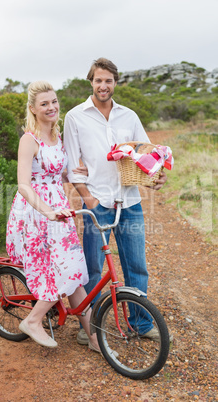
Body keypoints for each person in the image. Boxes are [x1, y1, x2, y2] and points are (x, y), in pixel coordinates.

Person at [63, 57, 168, 345]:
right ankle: (89, 326)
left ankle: (141, 323)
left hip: (129, 202)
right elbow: (72, 164)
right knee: (93, 268)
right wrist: (88, 198)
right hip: (96, 204)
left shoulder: (129, 116)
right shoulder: (75, 117)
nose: (103, 85)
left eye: (108, 80)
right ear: (91, 82)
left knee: (136, 265)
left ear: (115, 83)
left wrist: (158, 175)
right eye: (98, 80)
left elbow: (149, 154)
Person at [6, 81, 99, 351]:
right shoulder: (29, 139)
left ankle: (93, 339)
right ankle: (33, 320)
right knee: (66, 270)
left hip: (59, 211)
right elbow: (23, 184)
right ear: (33, 109)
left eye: (54, 101)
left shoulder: (57, 138)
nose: (51, 107)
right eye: (44, 103)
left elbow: (65, 175)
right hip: (35, 213)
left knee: (75, 271)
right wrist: (47, 211)